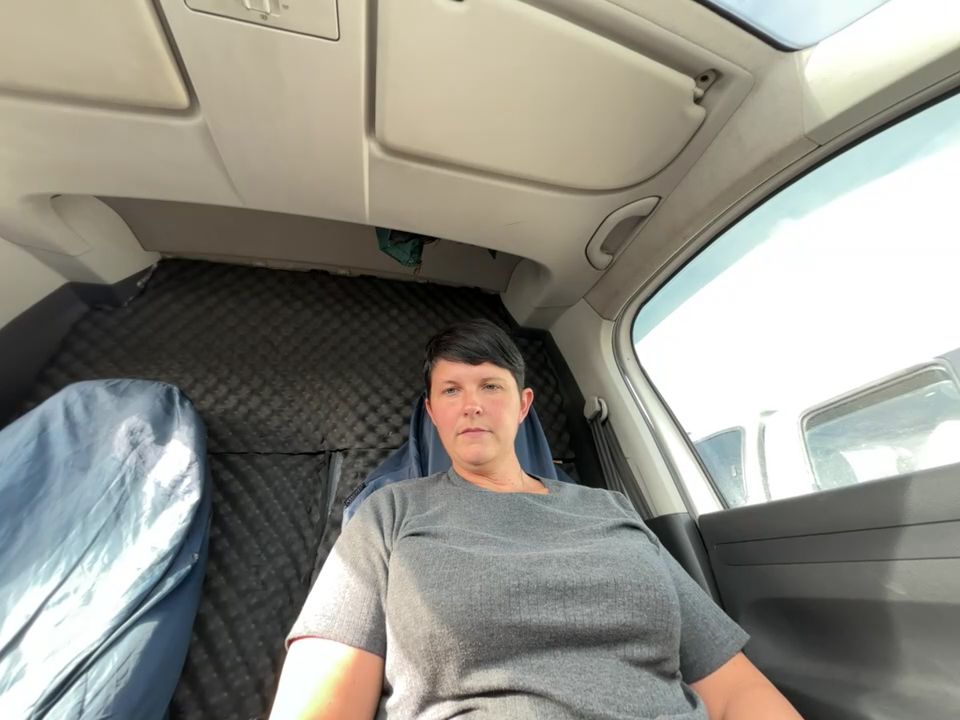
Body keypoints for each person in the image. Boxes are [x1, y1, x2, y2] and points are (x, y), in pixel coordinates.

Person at [269, 319, 803, 719]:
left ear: (523, 405)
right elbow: (322, 696)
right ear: (432, 412)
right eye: (451, 390)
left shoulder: (610, 508)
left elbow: (735, 688)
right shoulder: (390, 513)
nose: (472, 405)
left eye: (490, 386)